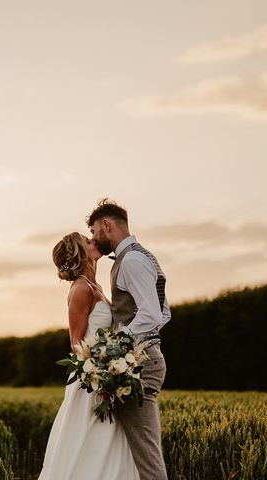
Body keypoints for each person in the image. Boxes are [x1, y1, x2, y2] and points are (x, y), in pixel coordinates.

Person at [38, 232, 139, 480]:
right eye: (87, 240)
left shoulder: (96, 286)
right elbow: (76, 344)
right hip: (92, 382)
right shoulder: (81, 289)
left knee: (110, 439)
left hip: (107, 374)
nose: (94, 241)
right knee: (95, 440)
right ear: (79, 253)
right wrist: (102, 375)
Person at [88, 199, 170, 480]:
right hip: (145, 358)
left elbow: (151, 316)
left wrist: (115, 344)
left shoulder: (131, 260)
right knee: (138, 453)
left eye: (95, 231)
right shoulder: (142, 255)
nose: (95, 238)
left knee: (147, 458)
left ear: (107, 225)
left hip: (140, 367)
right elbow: (164, 312)